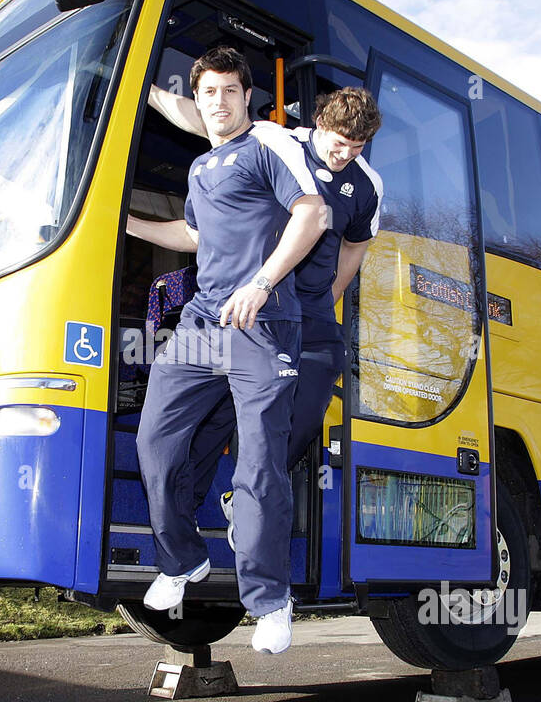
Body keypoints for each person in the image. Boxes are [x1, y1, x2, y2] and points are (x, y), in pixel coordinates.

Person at [131, 46, 328, 655]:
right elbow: (191, 235)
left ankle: (269, 601)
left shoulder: (268, 146)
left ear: (248, 99)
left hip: (265, 323)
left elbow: (313, 213)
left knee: (258, 463)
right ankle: (183, 561)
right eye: (209, 93)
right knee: (155, 441)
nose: (219, 102)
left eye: (230, 91)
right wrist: (126, 223)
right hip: (202, 321)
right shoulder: (200, 169)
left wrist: (263, 281)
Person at [136, 85, 384, 551]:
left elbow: (354, 247)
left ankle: (243, 499)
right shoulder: (276, 141)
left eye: (356, 148)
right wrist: (145, 90)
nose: (344, 155)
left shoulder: (367, 183)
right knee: (214, 412)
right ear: (319, 125)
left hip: (306, 315)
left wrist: (329, 296)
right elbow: (201, 117)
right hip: (250, 309)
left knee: (303, 414)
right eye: (337, 143)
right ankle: (180, 518)